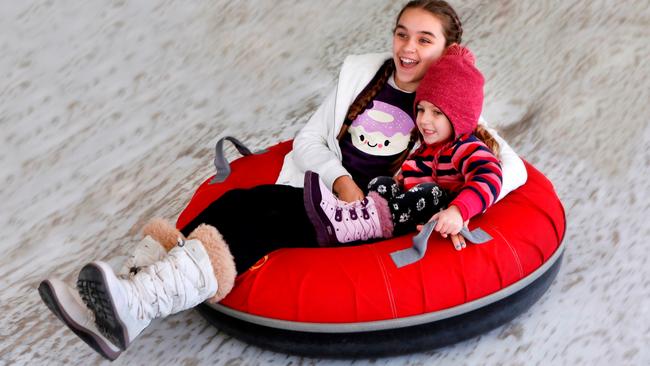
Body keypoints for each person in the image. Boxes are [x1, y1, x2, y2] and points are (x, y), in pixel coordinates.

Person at [38, 1, 527, 361]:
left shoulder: (450, 112)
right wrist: (340, 179)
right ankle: (129, 295)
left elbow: (505, 168)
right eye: (402, 34)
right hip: (325, 193)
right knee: (239, 203)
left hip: (365, 222)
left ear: (447, 51)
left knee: (259, 225)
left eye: (425, 39)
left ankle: (138, 304)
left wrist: (457, 206)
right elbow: (307, 142)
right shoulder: (364, 75)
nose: (408, 47)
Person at [303, 45, 502, 251]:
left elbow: (491, 176)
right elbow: (406, 182)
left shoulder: (465, 147)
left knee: (430, 191)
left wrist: (459, 211)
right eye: (420, 109)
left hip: (441, 213)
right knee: (382, 183)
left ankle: (361, 224)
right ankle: (356, 218)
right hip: (404, 214)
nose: (423, 120)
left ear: (460, 118)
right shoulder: (424, 150)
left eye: (437, 113)